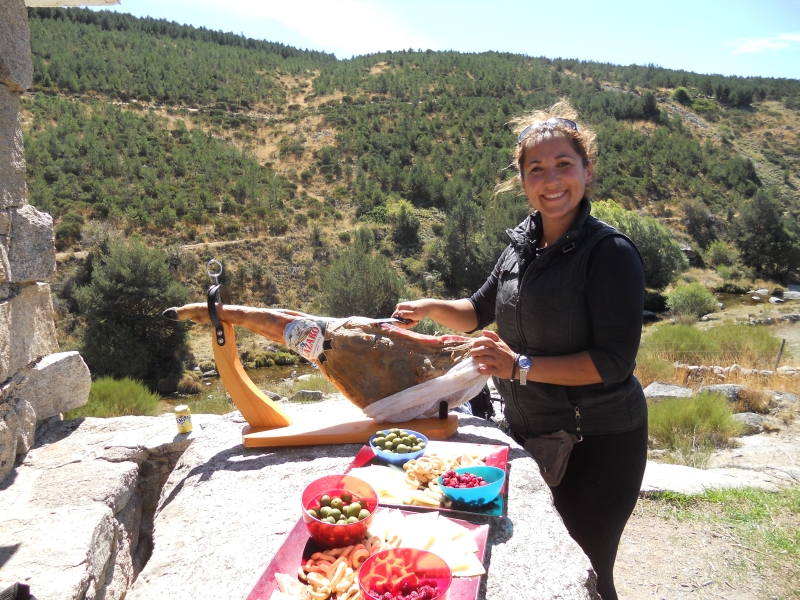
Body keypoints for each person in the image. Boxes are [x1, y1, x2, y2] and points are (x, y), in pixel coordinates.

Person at [392, 100, 647, 600]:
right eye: (537, 169)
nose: (551, 180)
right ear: (522, 180)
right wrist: (429, 307)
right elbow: (477, 308)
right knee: (538, 564)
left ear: (587, 171)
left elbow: (614, 362)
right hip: (532, 430)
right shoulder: (521, 245)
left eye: (563, 165)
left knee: (588, 571)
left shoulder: (610, 253)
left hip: (597, 442)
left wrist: (519, 367)